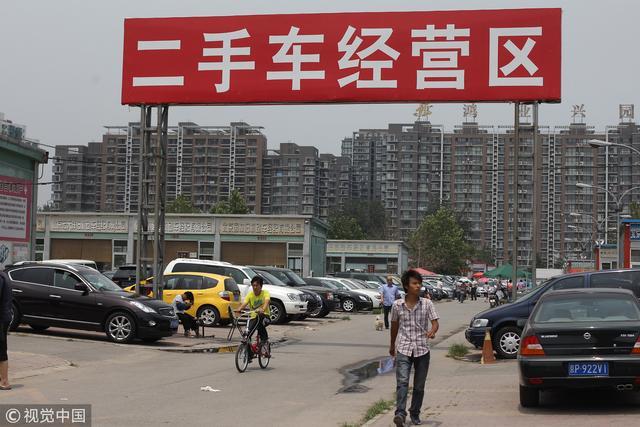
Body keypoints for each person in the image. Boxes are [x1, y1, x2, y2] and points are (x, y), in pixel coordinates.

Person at [389, 269, 439, 427]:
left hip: (422, 350)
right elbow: (394, 326)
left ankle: (415, 413)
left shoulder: (427, 304)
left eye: (419, 283)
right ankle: (400, 413)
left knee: (419, 386)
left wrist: (432, 331)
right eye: (414, 283)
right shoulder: (397, 305)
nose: (418, 286)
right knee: (402, 382)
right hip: (403, 348)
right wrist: (392, 345)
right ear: (406, 286)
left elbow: (435, 323)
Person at [236, 276, 270, 359]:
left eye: (256, 285)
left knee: (260, 320)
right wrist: (239, 309)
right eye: (253, 285)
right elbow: (245, 303)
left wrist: (263, 309)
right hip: (253, 318)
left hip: (265, 316)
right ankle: (249, 354)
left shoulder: (265, 293)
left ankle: (264, 340)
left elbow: (267, 301)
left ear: (261, 286)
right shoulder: (250, 294)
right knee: (247, 334)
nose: (255, 287)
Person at [0, 271, 12, 390]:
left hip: (1, 319)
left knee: (1, 350)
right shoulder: (3, 275)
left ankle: (4, 381)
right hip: (4, 317)